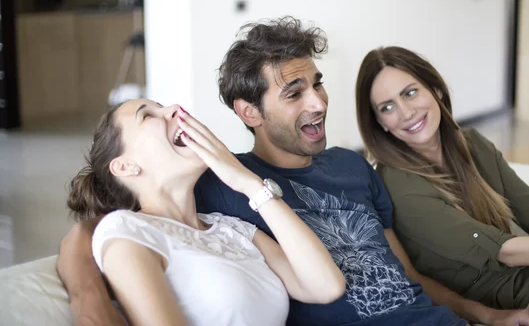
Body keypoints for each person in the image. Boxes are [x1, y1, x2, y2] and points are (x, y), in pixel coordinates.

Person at [58, 17, 529, 326]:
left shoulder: (343, 170)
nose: (319, 103)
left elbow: (404, 274)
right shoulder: (218, 185)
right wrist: (89, 304)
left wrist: (488, 316)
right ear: (249, 113)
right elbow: (98, 229)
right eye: (294, 93)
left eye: (318, 84)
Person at [355, 45, 529, 326]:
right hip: (501, 297)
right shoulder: (398, 182)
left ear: (435, 89)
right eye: (387, 108)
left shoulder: (471, 143)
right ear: (380, 123)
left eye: (410, 93)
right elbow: (506, 252)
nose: (406, 112)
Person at [65, 99, 345, 326]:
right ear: (125, 167)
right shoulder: (127, 231)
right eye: (148, 115)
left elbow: (326, 286)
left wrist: (250, 184)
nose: (174, 108)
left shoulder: (232, 229)